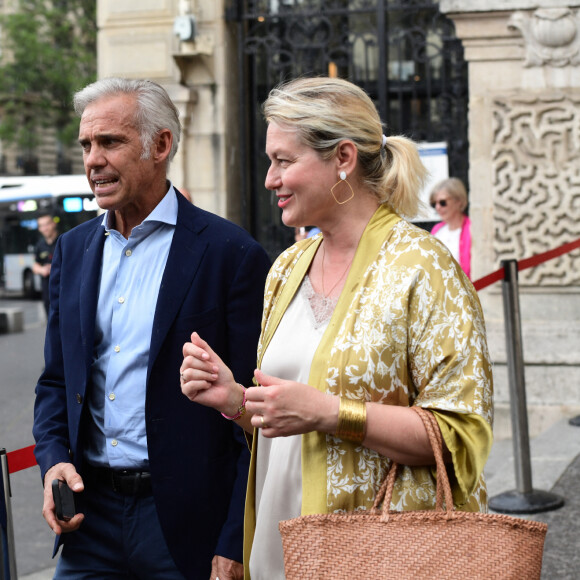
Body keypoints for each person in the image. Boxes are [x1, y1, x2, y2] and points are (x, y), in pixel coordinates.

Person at [180, 77, 493, 579]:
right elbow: (288, 425)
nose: (269, 178)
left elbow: (462, 436)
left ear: (343, 158)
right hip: (279, 546)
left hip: (378, 558)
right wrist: (236, 400)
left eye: (284, 161)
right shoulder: (287, 267)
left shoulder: (423, 267)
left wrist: (332, 412)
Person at [32, 78, 271, 580]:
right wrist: (53, 460)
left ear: (160, 145)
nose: (93, 159)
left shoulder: (231, 254)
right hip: (87, 519)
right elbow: (56, 382)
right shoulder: (73, 251)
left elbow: (256, 417)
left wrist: (235, 538)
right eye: (86, 145)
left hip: (185, 529)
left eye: (110, 142)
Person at [429, 177, 471, 278]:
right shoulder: (437, 230)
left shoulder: (471, 229)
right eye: (434, 204)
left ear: (459, 201)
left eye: (443, 202)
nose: (438, 207)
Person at [32, 212, 59, 314]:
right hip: (47, 290)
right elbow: (35, 265)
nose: (45, 228)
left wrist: (55, 267)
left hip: (63, 288)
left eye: (47, 224)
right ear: (39, 229)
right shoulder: (39, 245)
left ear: (53, 224)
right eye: (42, 226)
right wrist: (42, 270)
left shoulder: (64, 240)